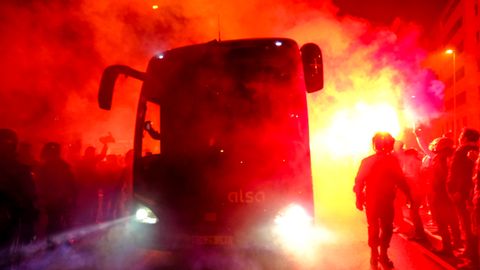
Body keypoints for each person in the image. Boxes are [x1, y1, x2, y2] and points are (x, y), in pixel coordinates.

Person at [354, 132, 411, 268]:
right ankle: (382, 253)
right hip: (385, 200)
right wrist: (408, 195)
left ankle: (375, 254)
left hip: (372, 199)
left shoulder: (367, 161)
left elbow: (359, 181)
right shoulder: (391, 160)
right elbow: (400, 180)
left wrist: (359, 198)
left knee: (374, 227)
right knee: (386, 228)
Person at [0, 128, 38, 266]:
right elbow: (30, 196)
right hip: (9, 218)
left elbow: (30, 196)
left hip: (10, 217)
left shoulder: (20, 169)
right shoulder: (20, 169)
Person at [447, 128, 479, 266]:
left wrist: (458, 191)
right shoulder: (475, 151)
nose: (459, 137)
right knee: (468, 224)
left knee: (468, 224)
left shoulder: (463, 151)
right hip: (469, 193)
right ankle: (468, 250)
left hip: (465, 195)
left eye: (461, 135)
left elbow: (463, 174)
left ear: (465, 138)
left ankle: (472, 257)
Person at [36, 142, 76, 245]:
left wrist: (70, 197)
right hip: (54, 201)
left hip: (59, 200)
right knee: (55, 222)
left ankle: (57, 242)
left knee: (58, 222)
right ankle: (56, 242)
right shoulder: (47, 167)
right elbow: (41, 184)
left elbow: (70, 183)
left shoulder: (62, 167)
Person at [427, 137, 461, 256]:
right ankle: (456, 244)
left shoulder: (442, 159)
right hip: (447, 194)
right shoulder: (452, 157)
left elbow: (442, 178)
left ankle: (448, 248)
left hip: (441, 194)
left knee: (442, 222)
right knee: (453, 221)